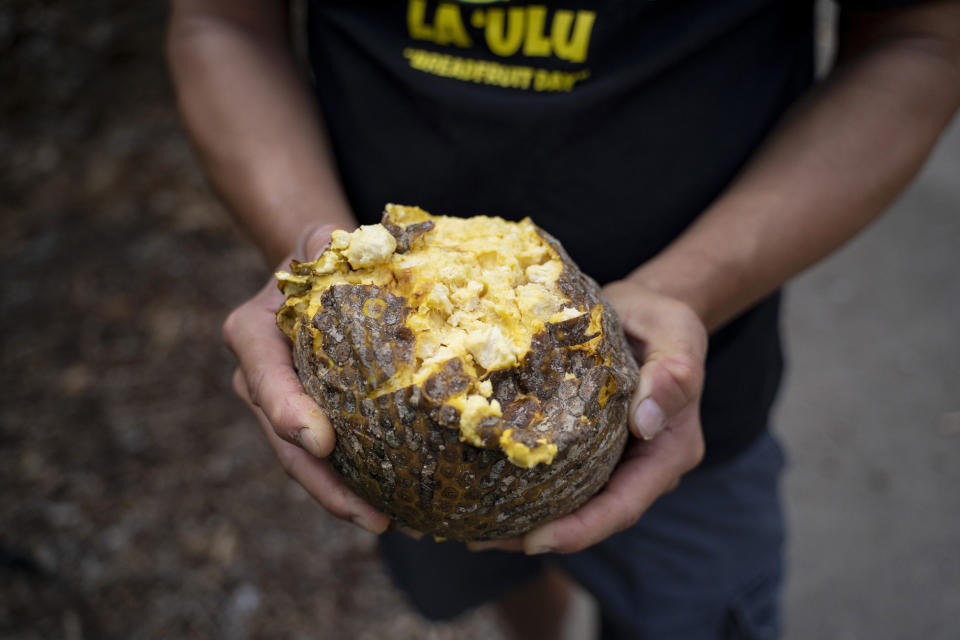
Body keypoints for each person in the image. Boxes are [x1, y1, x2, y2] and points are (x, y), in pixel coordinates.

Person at [166, 1, 960, 638]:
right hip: (382, 413)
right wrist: (311, 254)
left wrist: (692, 287)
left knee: (689, 599)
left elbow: (920, 37)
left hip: (681, 396)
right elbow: (224, 21)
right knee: (500, 569)